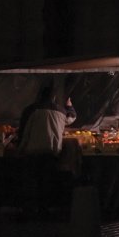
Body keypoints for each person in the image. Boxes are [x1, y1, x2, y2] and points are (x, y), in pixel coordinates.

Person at [17, 86, 77, 219]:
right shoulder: (61, 111)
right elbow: (71, 118)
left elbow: (22, 131)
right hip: (51, 151)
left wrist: (19, 147)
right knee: (46, 180)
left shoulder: (30, 110)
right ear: (54, 97)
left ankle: (30, 211)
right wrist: (70, 106)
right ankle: (44, 210)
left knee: (32, 181)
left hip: (32, 151)